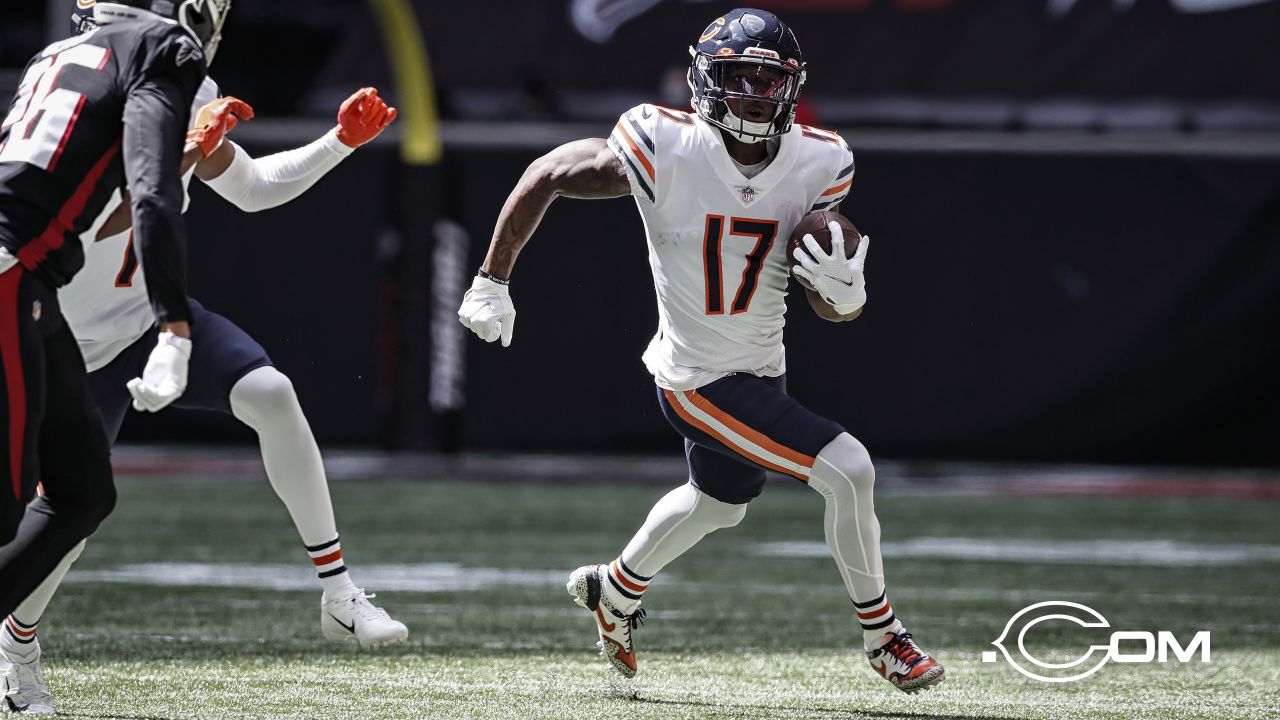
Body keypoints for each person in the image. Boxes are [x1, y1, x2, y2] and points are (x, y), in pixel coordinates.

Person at [458, 8, 945, 694]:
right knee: (850, 469)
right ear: (704, 80)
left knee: (719, 503)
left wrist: (849, 293)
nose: (752, 93)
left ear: (791, 86)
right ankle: (884, 637)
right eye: (737, 77)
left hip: (759, 370)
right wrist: (492, 279)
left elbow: (833, 309)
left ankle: (614, 591)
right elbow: (548, 172)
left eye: (767, 80)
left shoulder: (821, 160)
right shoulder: (665, 143)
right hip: (696, 379)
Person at [0, 4, 404, 712]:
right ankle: (17, 646)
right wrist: (181, 150)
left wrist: (338, 142)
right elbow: (111, 202)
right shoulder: (127, 72)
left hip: (139, 320)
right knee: (65, 517)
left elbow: (251, 188)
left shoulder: (142, 74)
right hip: (63, 329)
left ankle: (339, 590)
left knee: (272, 394)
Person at [0, 0, 228, 709]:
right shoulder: (165, 47)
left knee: (82, 491)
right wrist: (174, 327)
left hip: (31, 285)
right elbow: (152, 190)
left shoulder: (61, 53)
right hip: (11, 276)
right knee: (7, 507)